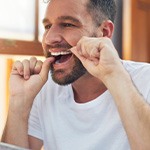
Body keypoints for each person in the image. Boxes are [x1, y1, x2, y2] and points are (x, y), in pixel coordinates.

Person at [2, 0, 150, 149]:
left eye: (67, 24)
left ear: (104, 32)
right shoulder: (43, 88)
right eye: (48, 26)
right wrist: (19, 103)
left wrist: (114, 75)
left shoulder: (146, 80)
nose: (49, 38)